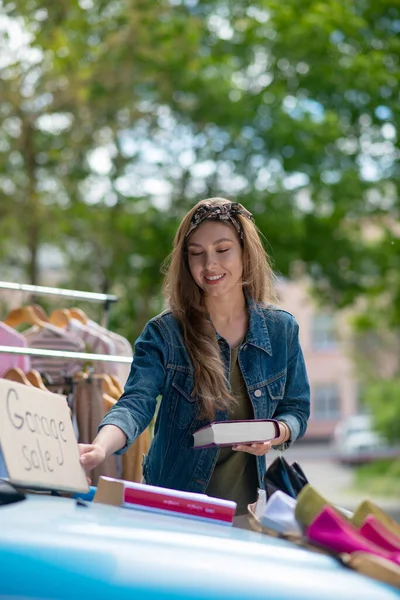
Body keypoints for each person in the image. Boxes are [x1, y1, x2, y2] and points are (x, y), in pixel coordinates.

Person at [79, 197, 310, 515]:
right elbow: (135, 404)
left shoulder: (281, 329)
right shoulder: (164, 333)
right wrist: (100, 447)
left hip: (246, 511)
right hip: (173, 507)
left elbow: (296, 410)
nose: (210, 265)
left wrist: (275, 432)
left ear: (245, 253)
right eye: (196, 254)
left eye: (223, 249)